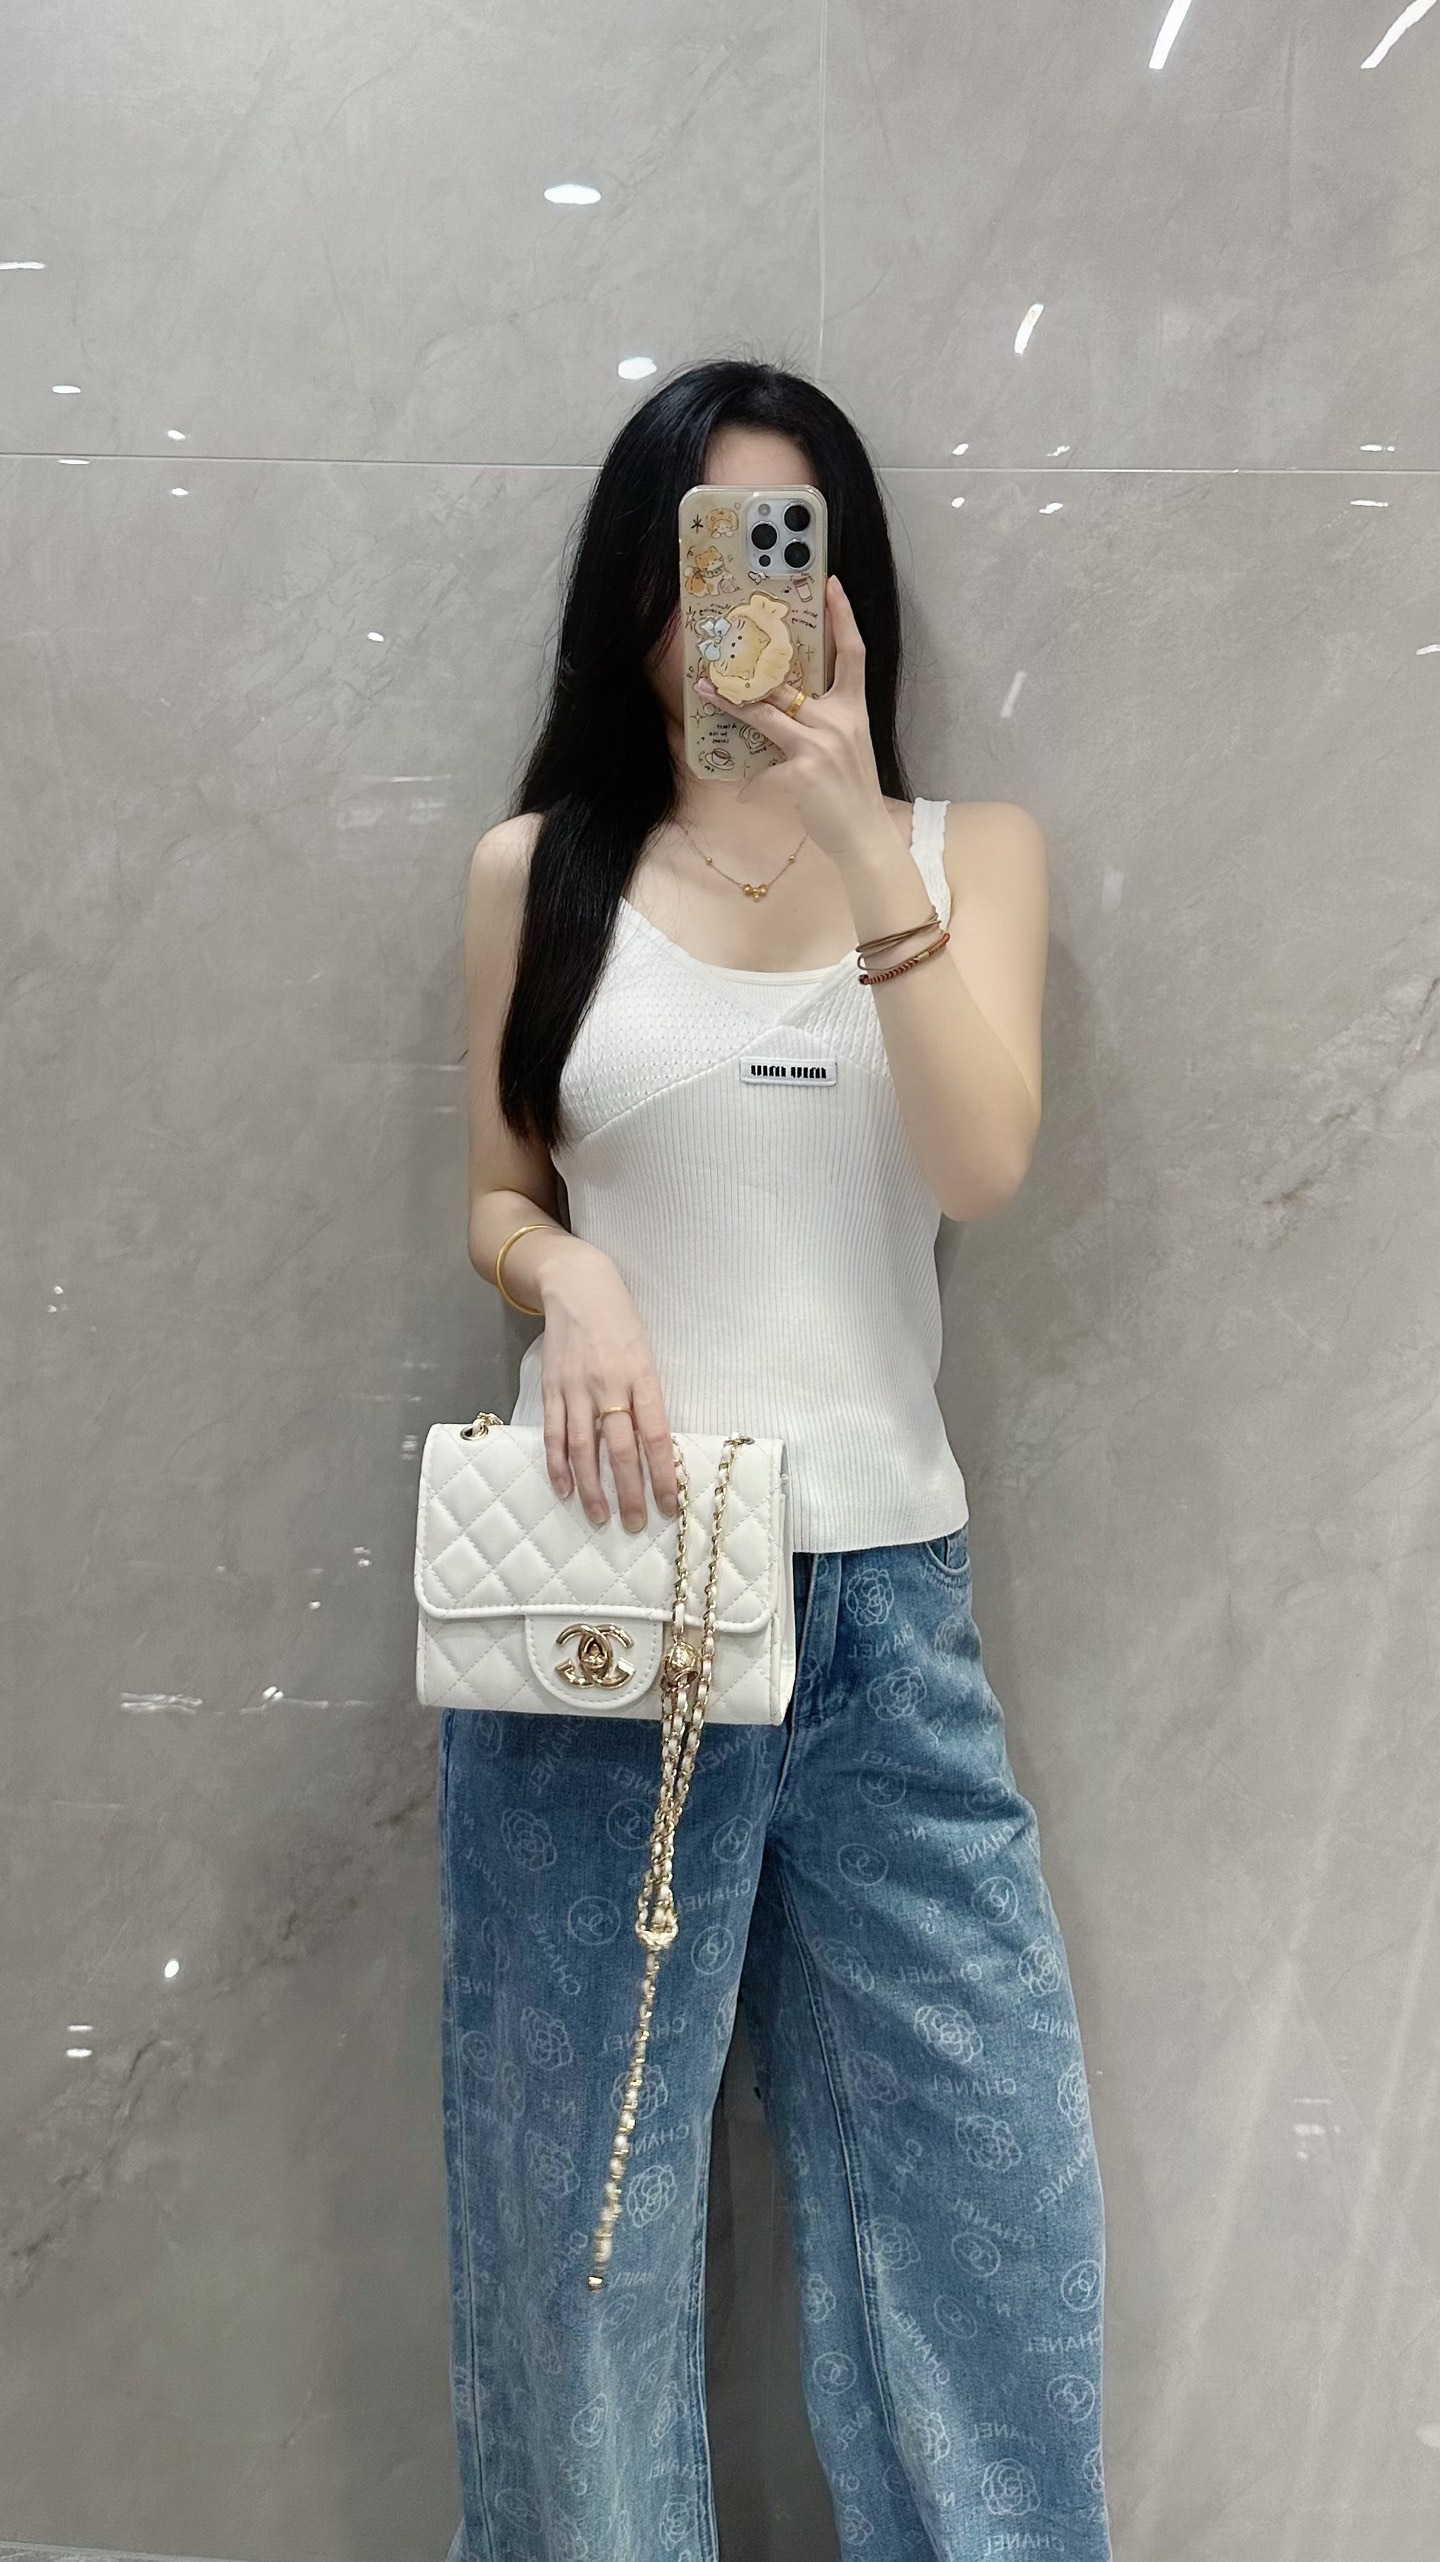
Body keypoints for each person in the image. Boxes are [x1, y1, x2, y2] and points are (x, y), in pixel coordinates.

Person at [439, 357, 1114, 2562]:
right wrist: (569, 1272)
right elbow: (495, 1190)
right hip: (610, 1598)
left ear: (843, 584)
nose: (735, 611)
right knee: (582, 2245)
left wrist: (849, 820)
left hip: (886, 1618)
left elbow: (980, 1161)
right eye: (698, 558)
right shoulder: (540, 872)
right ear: (633, 593)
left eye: (780, 551)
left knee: (985, 2218)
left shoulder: (964, 854)